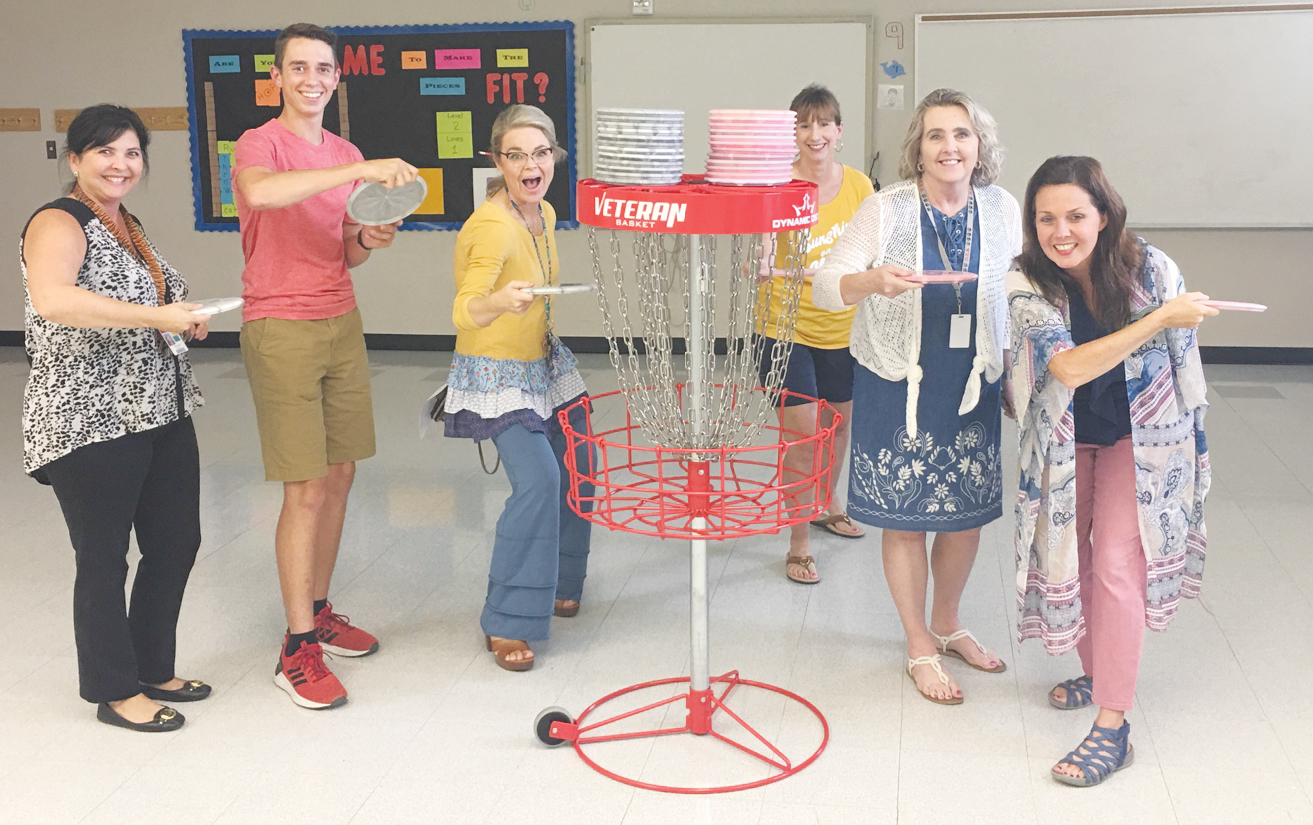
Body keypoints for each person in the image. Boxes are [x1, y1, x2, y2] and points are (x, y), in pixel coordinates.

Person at [1007, 155, 1214, 786]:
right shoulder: (1025, 280)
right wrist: (1158, 319)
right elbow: (1066, 368)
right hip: (1068, 440)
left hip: (1143, 439)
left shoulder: (1151, 267)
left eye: (1075, 215)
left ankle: (1113, 725)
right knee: (1075, 557)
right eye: (1046, 218)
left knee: (1120, 563)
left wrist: (1163, 315)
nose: (1060, 231)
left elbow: (1181, 364)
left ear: (1104, 215)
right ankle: (1099, 670)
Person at [812, 88, 1020, 704]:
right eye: (936, 135)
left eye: (961, 134)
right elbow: (826, 286)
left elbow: (1011, 292)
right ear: (918, 149)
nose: (950, 146)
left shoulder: (1002, 206)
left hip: (971, 379)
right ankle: (918, 643)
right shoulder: (887, 209)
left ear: (978, 146)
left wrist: (1010, 368)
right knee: (905, 517)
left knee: (965, 513)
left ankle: (948, 623)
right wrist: (870, 281)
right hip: (895, 380)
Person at [233, 22, 418, 709]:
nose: (312, 79)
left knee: (339, 474)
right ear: (277, 77)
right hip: (280, 326)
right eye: (299, 68)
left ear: (338, 78)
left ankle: (317, 606)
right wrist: (357, 172)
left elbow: (349, 251)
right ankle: (295, 647)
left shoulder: (345, 150)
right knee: (303, 486)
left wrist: (369, 234)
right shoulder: (259, 144)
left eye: (324, 69)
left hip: (341, 318)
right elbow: (262, 195)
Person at [21, 105, 211, 732]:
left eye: (131, 153)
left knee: (176, 541)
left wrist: (180, 314)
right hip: (87, 417)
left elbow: (141, 302)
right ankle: (113, 689)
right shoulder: (60, 219)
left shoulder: (126, 223)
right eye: (104, 152)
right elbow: (56, 299)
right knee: (103, 556)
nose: (120, 164)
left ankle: (154, 666)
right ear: (74, 160)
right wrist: (160, 318)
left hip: (158, 407)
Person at [445, 104, 593, 672]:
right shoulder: (489, 226)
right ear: (496, 161)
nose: (530, 165)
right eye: (515, 155)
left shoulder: (544, 213)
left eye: (540, 153)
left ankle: (558, 583)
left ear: (553, 156)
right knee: (539, 481)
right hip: (496, 375)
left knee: (580, 462)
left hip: (543, 363)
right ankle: (506, 619)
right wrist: (497, 302)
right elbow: (463, 309)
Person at [757, 84, 874, 585]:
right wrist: (762, 262)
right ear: (793, 134)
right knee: (803, 436)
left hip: (844, 327)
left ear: (839, 132)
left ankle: (826, 503)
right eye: (804, 125)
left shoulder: (860, 187)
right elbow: (762, 253)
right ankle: (798, 541)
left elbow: (872, 254)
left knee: (839, 427)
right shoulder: (775, 185)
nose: (814, 134)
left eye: (824, 123)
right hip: (783, 328)